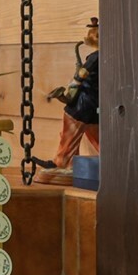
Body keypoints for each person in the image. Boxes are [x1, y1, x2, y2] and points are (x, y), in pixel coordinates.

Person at [38, 17, 98, 183]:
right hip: (93, 104)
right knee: (98, 138)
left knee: (69, 134)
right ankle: (112, 161)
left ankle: (63, 164)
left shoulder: (95, 58)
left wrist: (72, 87)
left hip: (83, 105)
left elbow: (81, 76)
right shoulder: (100, 57)